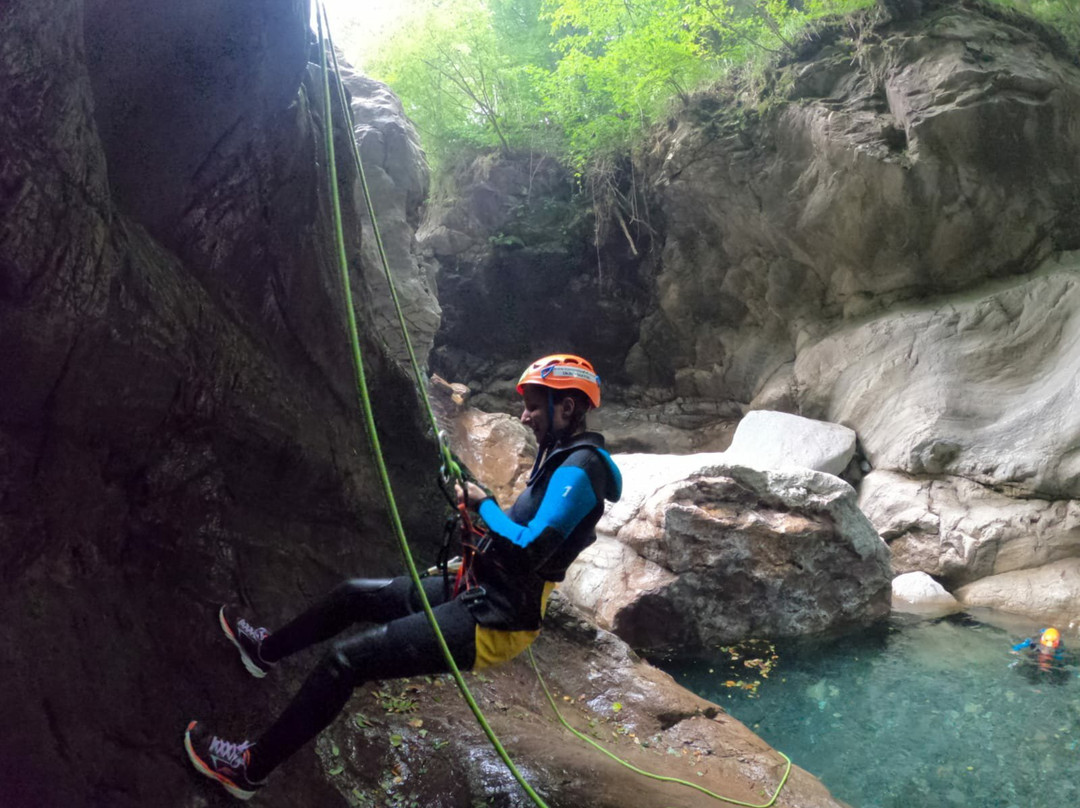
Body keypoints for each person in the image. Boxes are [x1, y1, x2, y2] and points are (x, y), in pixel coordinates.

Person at [183, 354, 623, 800]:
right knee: (353, 595)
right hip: (476, 586)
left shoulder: (582, 468)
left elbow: (530, 548)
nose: (524, 414)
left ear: (566, 407)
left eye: (533, 404)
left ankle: (248, 769)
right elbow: (523, 533)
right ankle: (264, 652)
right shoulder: (559, 458)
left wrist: (483, 504)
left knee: (345, 662)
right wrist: (478, 514)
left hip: (497, 618)